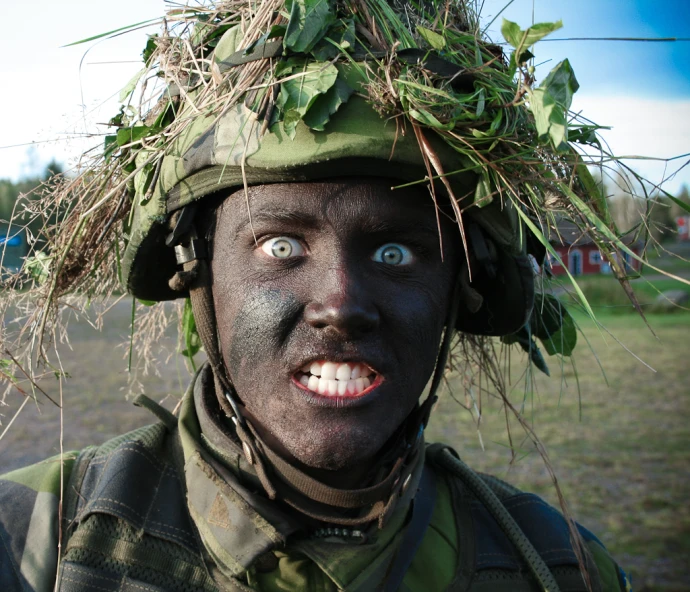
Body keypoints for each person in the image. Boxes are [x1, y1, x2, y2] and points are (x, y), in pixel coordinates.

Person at [0, 1, 635, 590]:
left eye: (396, 253)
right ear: (197, 271)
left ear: (460, 288)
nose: (342, 305)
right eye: (281, 246)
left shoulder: (554, 569)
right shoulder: (33, 542)